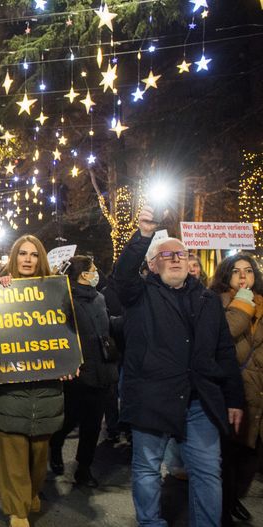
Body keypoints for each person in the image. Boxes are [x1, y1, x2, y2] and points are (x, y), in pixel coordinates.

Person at [114, 205, 244, 527]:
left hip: (199, 401)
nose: (175, 258)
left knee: (207, 472)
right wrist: (144, 234)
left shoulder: (207, 300)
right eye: (166, 255)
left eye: (181, 254)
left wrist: (235, 399)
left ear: (190, 262)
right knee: (147, 469)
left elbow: (224, 351)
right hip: (152, 398)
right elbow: (121, 276)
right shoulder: (139, 295)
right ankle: (151, 523)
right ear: (153, 265)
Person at [0, 235, 66, 527]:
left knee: (37, 454)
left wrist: (69, 362)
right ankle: (17, 510)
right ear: (14, 257)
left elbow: (69, 335)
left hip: (46, 389)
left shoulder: (56, 291)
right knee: (12, 453)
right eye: (23, 253)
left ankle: (32, 493)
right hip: (10, 389)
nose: (28, 259)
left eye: (34, 254)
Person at [48, 255, 119, 488]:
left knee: (93, 425)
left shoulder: (99, 298)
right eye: (93, 269)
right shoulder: (65, 300)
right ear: (83, 274)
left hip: (103, 371)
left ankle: (84, 468)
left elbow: (107, 324)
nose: (97, 273)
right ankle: (55, 445)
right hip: (79, 374)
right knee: (70, 419)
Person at [209, 253, 263, 525]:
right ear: (226, 276)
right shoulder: (216, 303)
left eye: (249, 271)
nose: (244, 277)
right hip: (232, 392)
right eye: (237, 271)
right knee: (227, 456)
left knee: (250, 457)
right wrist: (243, 304)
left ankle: (234, 499)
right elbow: (227, 332)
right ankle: (224, 505)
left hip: (259, 393)